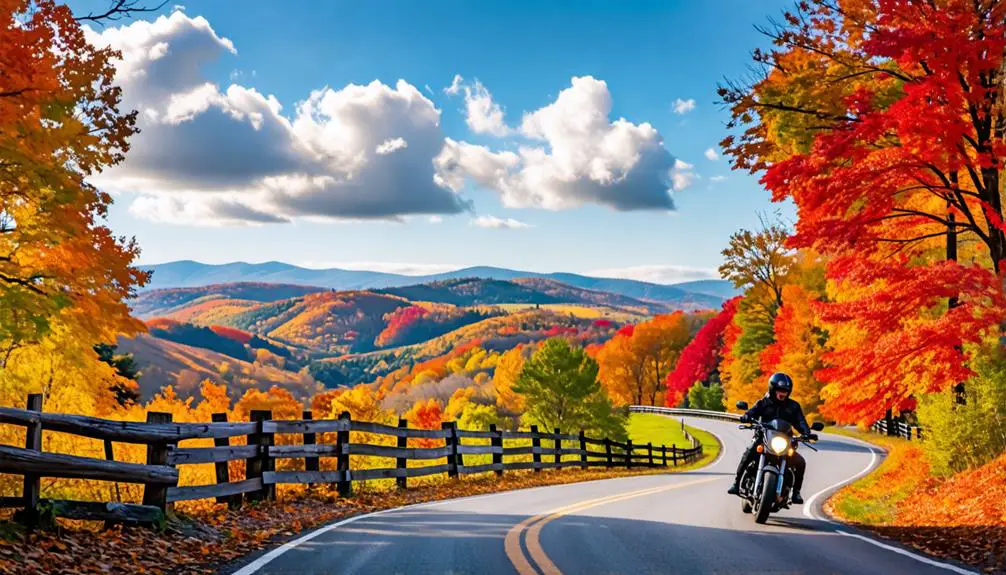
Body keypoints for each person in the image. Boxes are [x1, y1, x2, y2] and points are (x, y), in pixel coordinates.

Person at [727, 372, 811, 504]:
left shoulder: (793, 407)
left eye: (785, 391)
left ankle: (796, 493)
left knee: (800, 462)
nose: (782, 393)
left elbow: (801, 422)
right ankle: (736, 483)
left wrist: (807, 433)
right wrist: (747, 416)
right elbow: (752, 412)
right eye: (780, 390)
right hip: (764, 439)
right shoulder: (763, 402)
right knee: (749, 452)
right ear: (772, 389)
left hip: (785, 442)